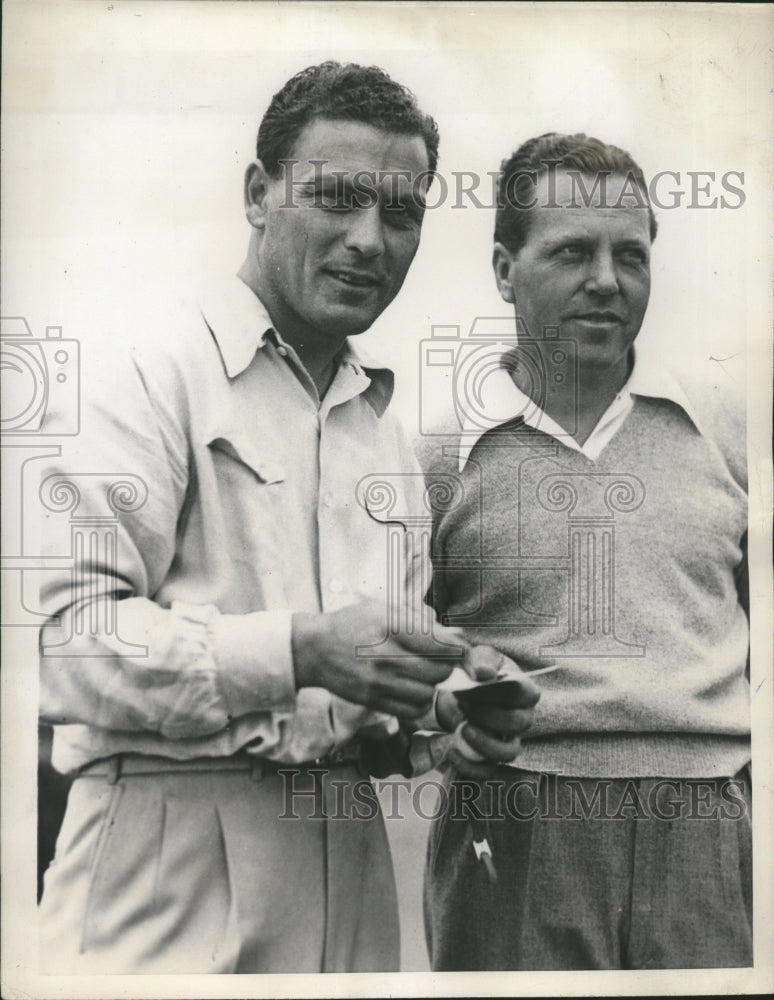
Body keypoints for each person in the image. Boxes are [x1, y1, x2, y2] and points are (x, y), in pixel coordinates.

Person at [36, 62, 537, 974]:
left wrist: (443, 717)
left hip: (351, 870)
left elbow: (367, 708)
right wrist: (300, 649)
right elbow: (65, 648)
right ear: (258, 194)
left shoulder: (380, 431)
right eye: (337, 198)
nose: (368, 240)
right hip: (162, 870)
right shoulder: (149, 372)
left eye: (401, 213)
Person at [419, 133, 751, 970]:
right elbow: (400, 663)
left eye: (629, 255)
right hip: (515, 826)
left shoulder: (723, 428)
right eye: (572, 251)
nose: (606, 280)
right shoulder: (438, 452)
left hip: (709, 828)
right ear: (504, 269)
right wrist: (448, 709)